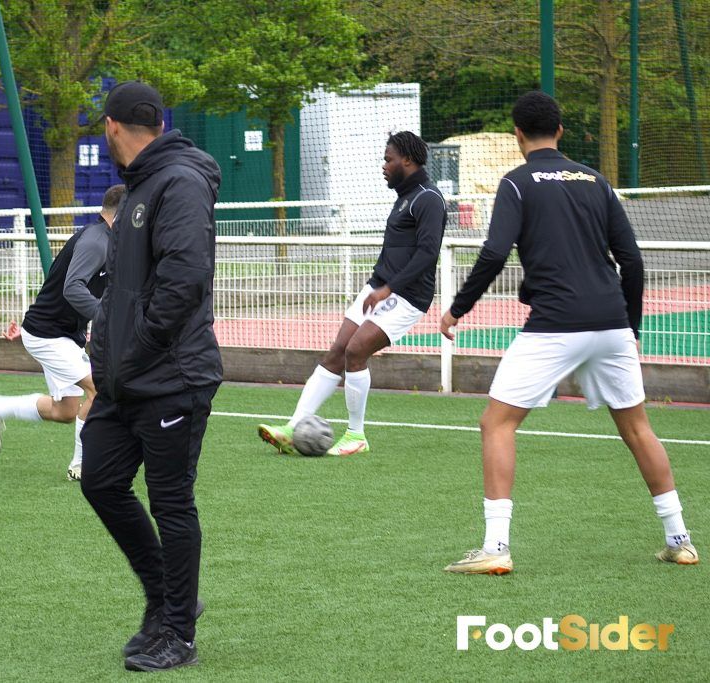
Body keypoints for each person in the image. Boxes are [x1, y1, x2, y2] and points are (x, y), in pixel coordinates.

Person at [440, 91, 698, 574]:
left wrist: (457, 308)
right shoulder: (596, 180)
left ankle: (496, 548)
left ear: (518, 134)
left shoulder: (516, 183)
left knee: (496, 423)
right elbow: (634, 260)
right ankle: (679, 539)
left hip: (554, 325)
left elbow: (495, 254)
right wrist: (633, 325)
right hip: (612, 322)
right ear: (560, 131)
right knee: (639, 429)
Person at [79, 81, 221, 672]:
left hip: (170, 375)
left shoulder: (179, 182)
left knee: (171, 503)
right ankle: (165, 600)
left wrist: (135, 350)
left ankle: (179, 633)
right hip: (126, 378)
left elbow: (184, 280)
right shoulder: (143, 183)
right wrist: (109, 354)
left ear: (112, 127)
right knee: (100, 481)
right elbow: (127, 288)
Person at [258, 131, 446, 456]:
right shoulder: (405, 197)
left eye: (388, 159)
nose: (383, 166)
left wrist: (389, 288)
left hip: (407, 297)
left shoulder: (429, 198)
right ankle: (292, 429)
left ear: (408, 160)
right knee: (337, 351)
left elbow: (428, 254)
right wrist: (379, 287)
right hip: (378, 289)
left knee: (356, 351)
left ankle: (356, 435)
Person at [0, 183, 125, 482]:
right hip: (47, 334)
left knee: (65, 411)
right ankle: (80, 466)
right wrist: (105, 318)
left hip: (63, 334)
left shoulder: (111, 240)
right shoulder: (96, 240)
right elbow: (73, 288)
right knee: (100, 388)